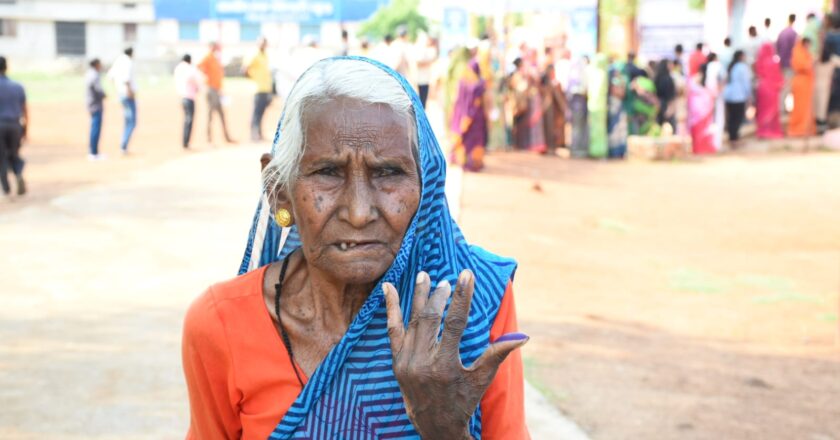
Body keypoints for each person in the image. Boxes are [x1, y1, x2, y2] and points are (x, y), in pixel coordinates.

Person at [182, 57, 529, 439]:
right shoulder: (222, 323)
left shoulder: (476, 306)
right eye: (327, 172)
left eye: (389, 172)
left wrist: (445, 429)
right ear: (280, 193)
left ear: (426, 187)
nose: (360, 212)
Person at [450, 59, 488, 171]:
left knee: (467, 138)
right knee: (473, 139)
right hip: (475, 116)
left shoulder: (464, 81)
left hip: (463, 115)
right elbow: (478, 102)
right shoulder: (479, 83)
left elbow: (456, 98)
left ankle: (464, 160)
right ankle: (472, 162)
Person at [198, 42, 235, 145]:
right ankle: (209, 138)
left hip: (217, 90)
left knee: (221, 114)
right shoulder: (208, 57)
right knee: (210, 115)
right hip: (211, 89)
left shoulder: (215, 59)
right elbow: (199, 66)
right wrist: (206, 78)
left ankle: (226, 137)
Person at [0, 56, 27, 197]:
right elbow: (25, 110)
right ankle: (18, 173)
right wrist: (25, 129)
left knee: (1, 158)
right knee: (14, 154)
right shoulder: (17, 86)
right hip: (15, 125)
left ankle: (6, 189)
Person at [107, 47, 137, 155]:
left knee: (127, 120)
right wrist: (129, 91)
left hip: (121, 94)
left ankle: (123, 145)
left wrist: (118, 89)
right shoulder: (128, 61)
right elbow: (126, 78)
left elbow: (110, 76)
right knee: (132, 121)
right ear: (131, 53)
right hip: (128, 95)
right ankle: (123, 145)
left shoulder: (118, 61)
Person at [244, 37, 274, 141]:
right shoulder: (254, 54)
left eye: (264, 43)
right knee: (256, 113)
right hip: (257, 88)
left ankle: (259, 133)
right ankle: (253, 135)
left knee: (261, 113)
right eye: (261, 43)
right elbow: (245, 69)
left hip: (265, 88)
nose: (263, 45)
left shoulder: (265, 55)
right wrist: (253, 78)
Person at [688, 55, 717, 154]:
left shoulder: (695, 78)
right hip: (703, 107)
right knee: (703, 128)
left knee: (700, 128)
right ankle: (702, 146)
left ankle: (698, 147)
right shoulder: (701, 79)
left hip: (698, 107)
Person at [754, 43, 784, 139]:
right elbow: (778, 75)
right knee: (773, 110)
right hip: (772, 88)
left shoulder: (760, 61)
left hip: (762, 88)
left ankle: (763, 131)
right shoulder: (774, 62)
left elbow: (759, 73)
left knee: (763, 110)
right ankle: (771, 131)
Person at [723, 50, 751, 146]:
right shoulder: (742, 67)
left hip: (729, 95)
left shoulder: (731, 66)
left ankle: (733, 137)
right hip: (738, 96)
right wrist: (748, 94)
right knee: (737, 118)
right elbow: (745, 82)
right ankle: (734, 138)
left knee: (732, 118)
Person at [788, 38, 816, 137]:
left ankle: (806, 128)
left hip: (807, 83)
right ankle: (797, 128)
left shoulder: (805, 53)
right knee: (800, 107)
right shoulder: (797, 52)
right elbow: (801, 65)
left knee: (807, 107)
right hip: (801, 82)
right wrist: (811, 63)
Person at [174, 54, 201, 149]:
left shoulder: (178, 68)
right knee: (189, 120)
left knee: (186, 119)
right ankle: (186, 142)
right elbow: (192, 78)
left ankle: (185, 141)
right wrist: (197, 87)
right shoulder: (188, 68)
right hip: (189, 97)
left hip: (181, 96)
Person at [540, 64, 568, 154]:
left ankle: (552, 147)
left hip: (554, 111)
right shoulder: (547, 84)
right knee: (548, 128)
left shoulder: (555, 84)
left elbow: (559, 98)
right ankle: (549, 147)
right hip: (548, 109)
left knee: (553, 129)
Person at [587, 54, 609, 158]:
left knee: (595, 129)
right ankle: (598, 150)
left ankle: (595, 150)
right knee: (598, 129)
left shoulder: (592, 73)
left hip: (593, 104)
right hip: (599, 105)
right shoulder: (602, 73)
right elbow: (600, 90)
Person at [777, 14, 798, 114]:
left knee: (783, 85)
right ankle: (781, 108)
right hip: (789, 64)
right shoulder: (793, 34)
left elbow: (777, 47)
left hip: (783, 63)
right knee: (786, 86)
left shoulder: (782, 33)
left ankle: (781, 107)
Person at [569, 56, 589, 158]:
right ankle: (577, 149)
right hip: (580, 103)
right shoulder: (582, 74)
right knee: (578, 127)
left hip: (573, 103)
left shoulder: (572, 74)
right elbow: (585, 89)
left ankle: (575, 148)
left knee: (575, 127)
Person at [85, 58, 106, 160]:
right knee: (96, 128)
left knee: (94, 128)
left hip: (91, 104)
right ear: (97, 64)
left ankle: (93, 151)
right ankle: (93, 152)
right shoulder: (94, 75)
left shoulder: (89, 73)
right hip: (95, 105)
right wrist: (104, 95)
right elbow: (98, 90)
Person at [704, 53, 725, 151]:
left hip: (706, 97)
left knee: (709, 121)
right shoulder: (718, 66)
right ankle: (716, 144)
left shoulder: (706, 67)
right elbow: (722, 79)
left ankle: (710, 143)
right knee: (718, 120)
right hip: (717, 96)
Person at [607, 71, 629, 159]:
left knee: (620, 130)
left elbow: (622, 93)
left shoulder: (620, 81)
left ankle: (620, 152)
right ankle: (614, 152)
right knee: (614, 130)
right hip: (614, 105)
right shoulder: (613, 81)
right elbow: (618, 92)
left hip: (619, 106)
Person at [415, 34, 438, 108]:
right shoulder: (419, 50)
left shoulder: (430, 50)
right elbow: (418, 63)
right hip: (419, 79)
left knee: (423, 100)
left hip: (426, 79)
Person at [654, 59, 677, 131]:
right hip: (667, 106)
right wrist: (671, 109)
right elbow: (671, 96)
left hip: (658, 107)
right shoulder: (669, 79)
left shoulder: (656, 78)